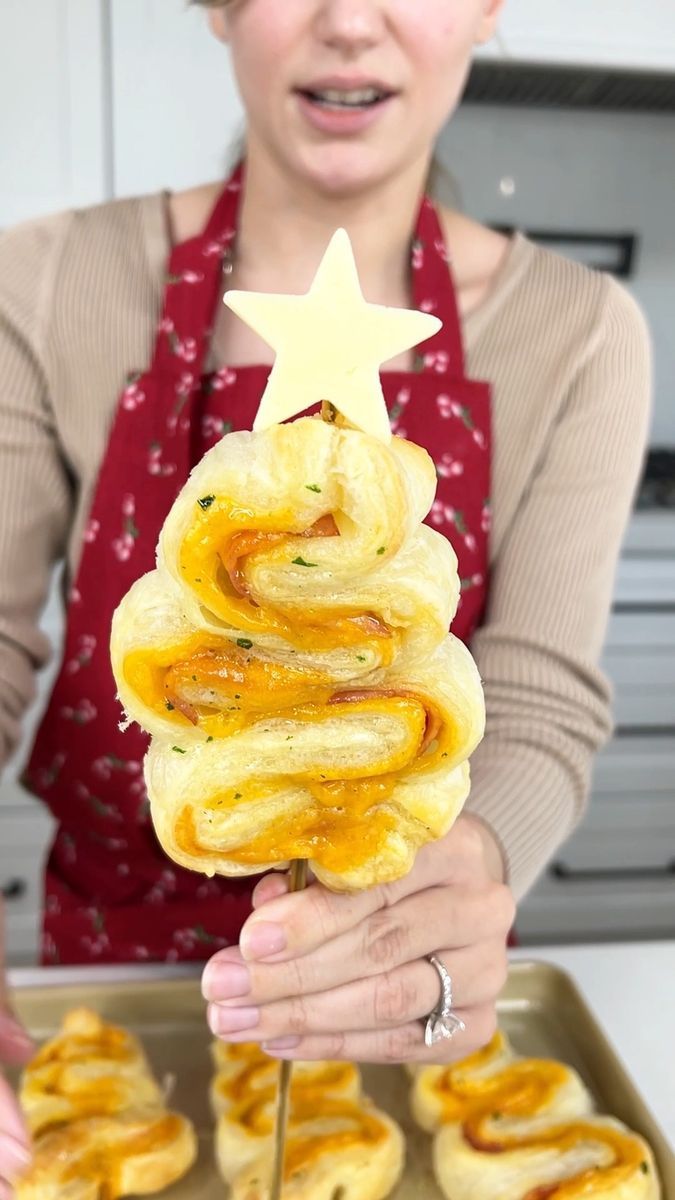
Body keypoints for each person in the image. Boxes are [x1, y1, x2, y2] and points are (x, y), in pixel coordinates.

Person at [0, 0, 651, 1188]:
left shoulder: (583, 331)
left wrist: (468, 867)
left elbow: (539, 696)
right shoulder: (48, 282)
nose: (352, 20)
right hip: (104, 969)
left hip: (405, 975)